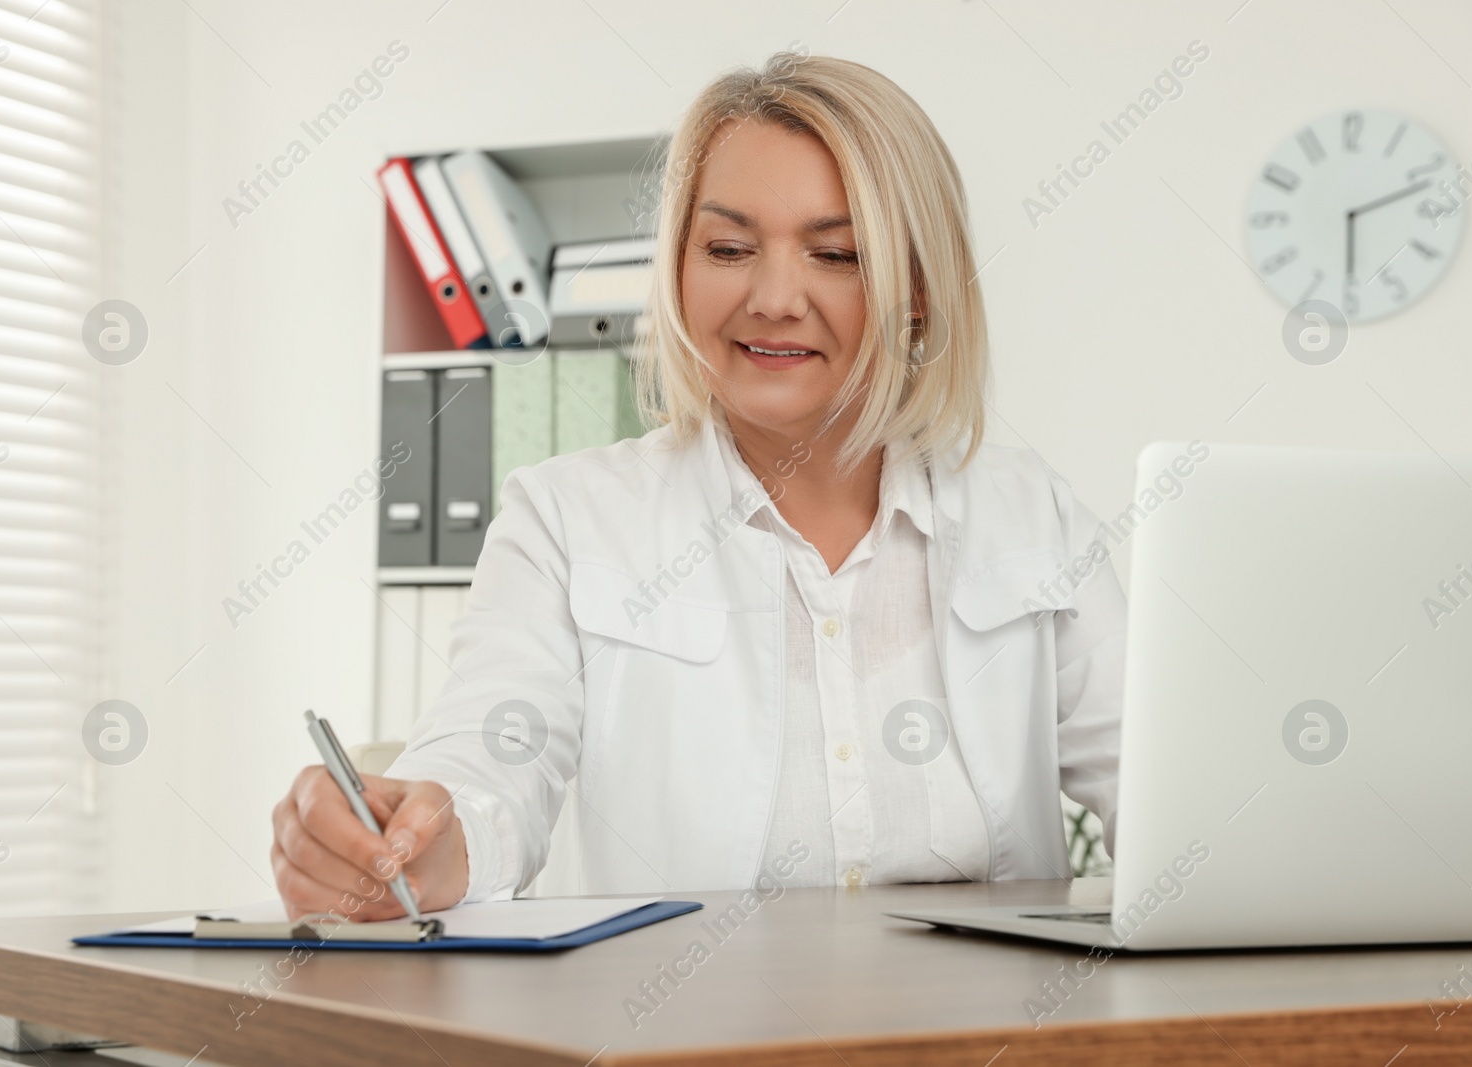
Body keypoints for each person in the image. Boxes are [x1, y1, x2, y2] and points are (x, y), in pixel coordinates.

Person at [271, 52, 1125, 920]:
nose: (774, 297)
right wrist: (421, 840)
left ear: (917, 292)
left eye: (836, 253)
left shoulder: (1033, 515)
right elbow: (488, 764)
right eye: (728, 248)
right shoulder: (567, 521)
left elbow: (1171, 786)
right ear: (678, 268)